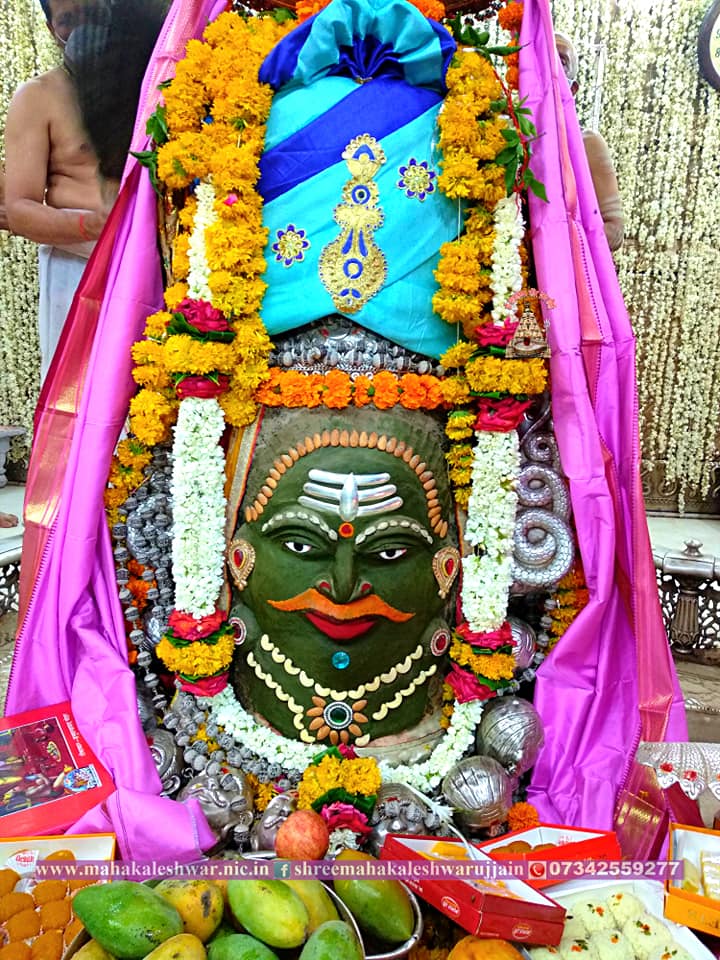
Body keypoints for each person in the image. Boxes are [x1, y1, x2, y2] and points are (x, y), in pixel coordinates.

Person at [4, 0, 116, 382]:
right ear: (53, 30)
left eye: (90, 14)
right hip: (75, 265)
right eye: (68, 20)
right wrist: (97, 228)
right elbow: (18, 208)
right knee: (81, 394)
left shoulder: (146, 83)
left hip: (146, 261)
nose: (81, 28)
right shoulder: (37, 97)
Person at [555, 32, 625, 252]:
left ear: (573, 89)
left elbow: (615, 232)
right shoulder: (505, 135)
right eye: (544, 56)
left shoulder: (588, 144)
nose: (552, 66)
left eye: (562, 60)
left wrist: (555, 235)